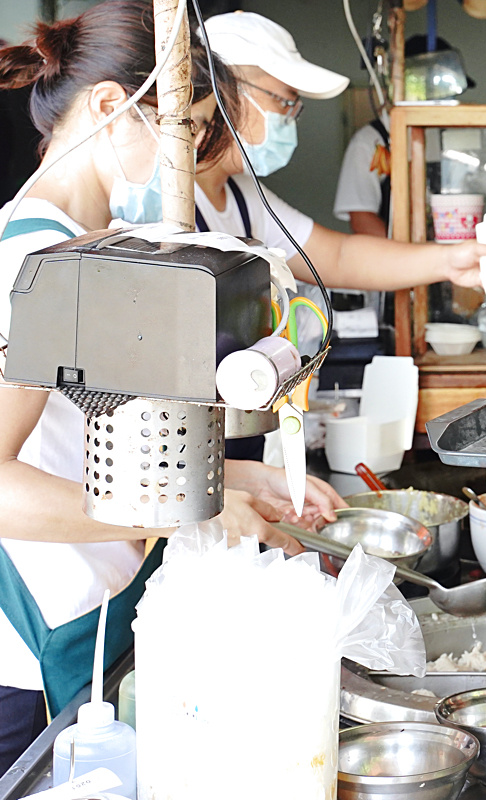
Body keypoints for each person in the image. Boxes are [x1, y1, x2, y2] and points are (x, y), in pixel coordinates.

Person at [0, 0, 343, 772]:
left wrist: (237, 474)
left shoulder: (100, 252)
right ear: (111, 109)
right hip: (32, 649)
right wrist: (203, 509)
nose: (184, 158)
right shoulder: (31, 267)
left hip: (105, 603)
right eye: (179, 129)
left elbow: (99, 433)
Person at [196, 13, 486, 311]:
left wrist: (450, 260)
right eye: (285, 102)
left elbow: (339, 257)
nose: (291, 119)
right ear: (224, 90)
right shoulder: (163, 198)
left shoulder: (244, 197)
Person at [334, 36, 475, 238]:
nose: (445, 99)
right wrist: (409, 257)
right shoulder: (371, 141)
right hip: (397, 262)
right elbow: (362, 220)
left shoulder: (451, 137)